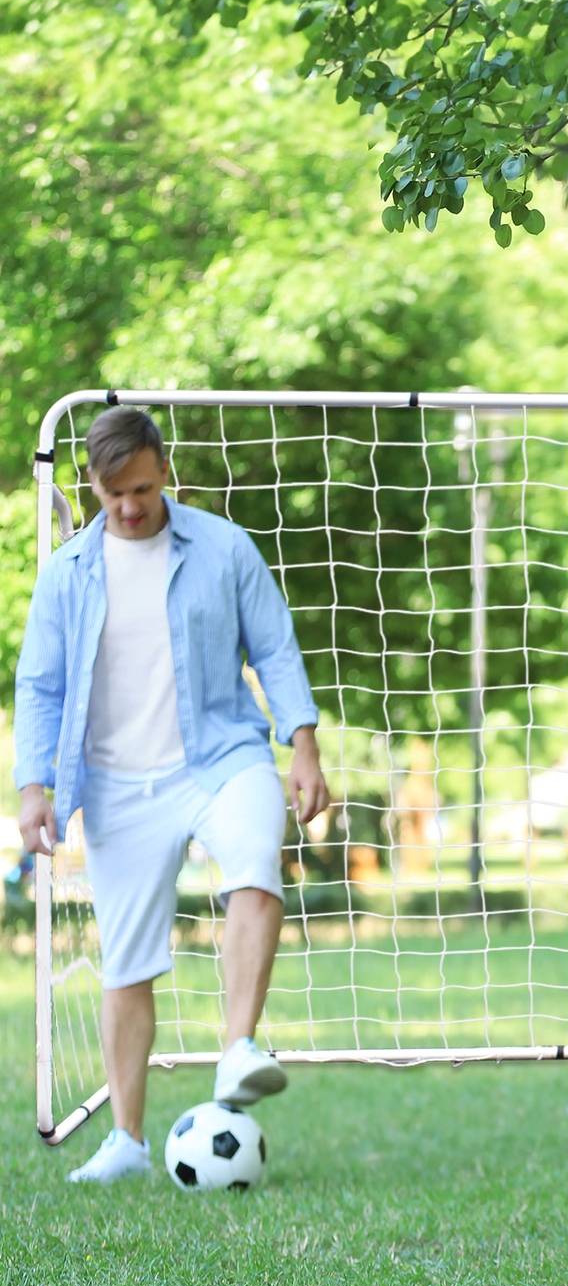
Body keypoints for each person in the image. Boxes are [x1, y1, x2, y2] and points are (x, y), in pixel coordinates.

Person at [15, 406, 331, 1184]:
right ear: (91, 483)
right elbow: (40, 686)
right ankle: (125, 1141)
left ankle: (237, 1049)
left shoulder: (223, 547)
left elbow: (277, 648)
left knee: (256, 859)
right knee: (126, 964)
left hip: (221, 757)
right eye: (113, 493)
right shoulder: (66, 575)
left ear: (166, 471)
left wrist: (304, 746)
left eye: (144, 489)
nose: (129, 507)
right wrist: (33, 789)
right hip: (117, 784)